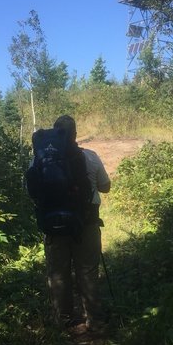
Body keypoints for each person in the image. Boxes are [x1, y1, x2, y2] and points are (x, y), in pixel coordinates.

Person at [43, 115, 111, 330]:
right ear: (75, 133)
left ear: (55, 132)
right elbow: (105, 187)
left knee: (58, 272)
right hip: (86, 223)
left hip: (53, 225)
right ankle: (92, 319)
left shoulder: (41, 158)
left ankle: (62, 320)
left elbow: (31, 191)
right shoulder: (90, 157)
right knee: (87, 269)